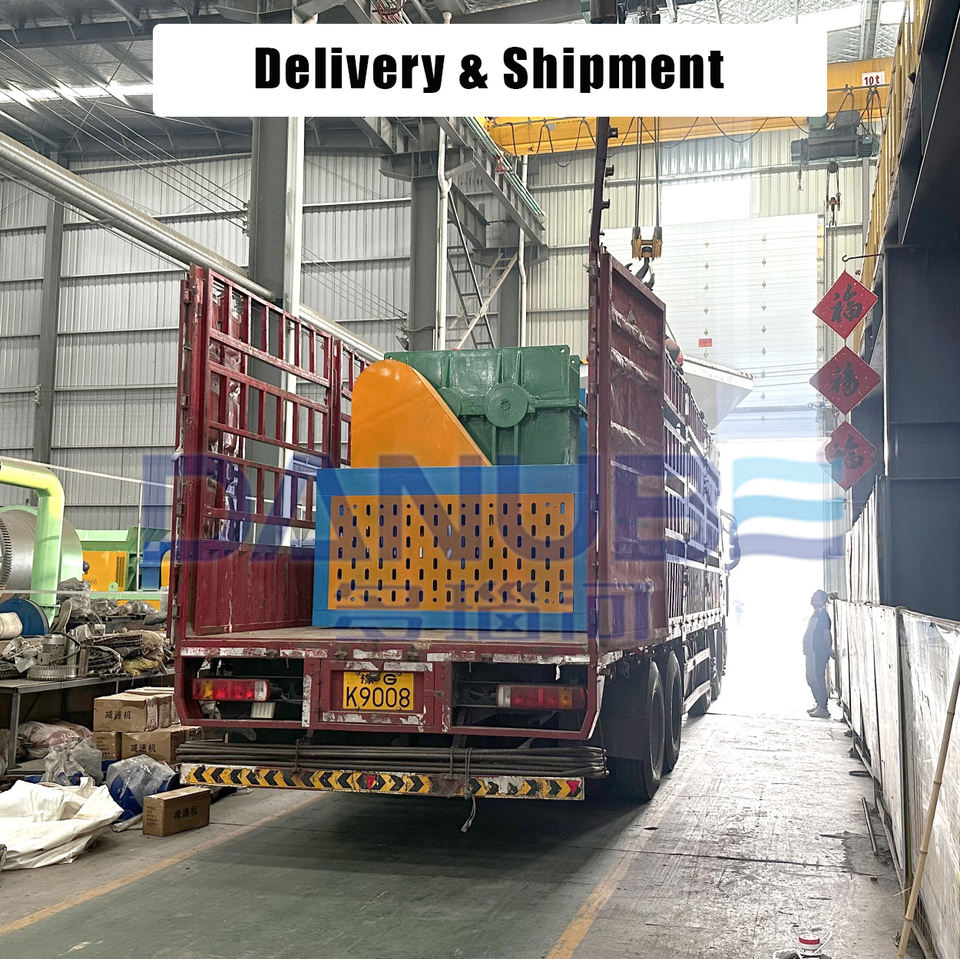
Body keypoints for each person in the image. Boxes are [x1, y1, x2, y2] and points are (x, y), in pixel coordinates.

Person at [803, 590, 832, 718]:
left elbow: (826, 634)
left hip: (818, 651)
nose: (812, 599)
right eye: (813, 596)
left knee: (816, 677)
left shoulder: (823, 615)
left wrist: (828, 649)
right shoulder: (816, 614)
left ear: (822, 601)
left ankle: (823, 708)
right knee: (811, 677)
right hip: (811, 651)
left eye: (816, 598)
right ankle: (819, 704)